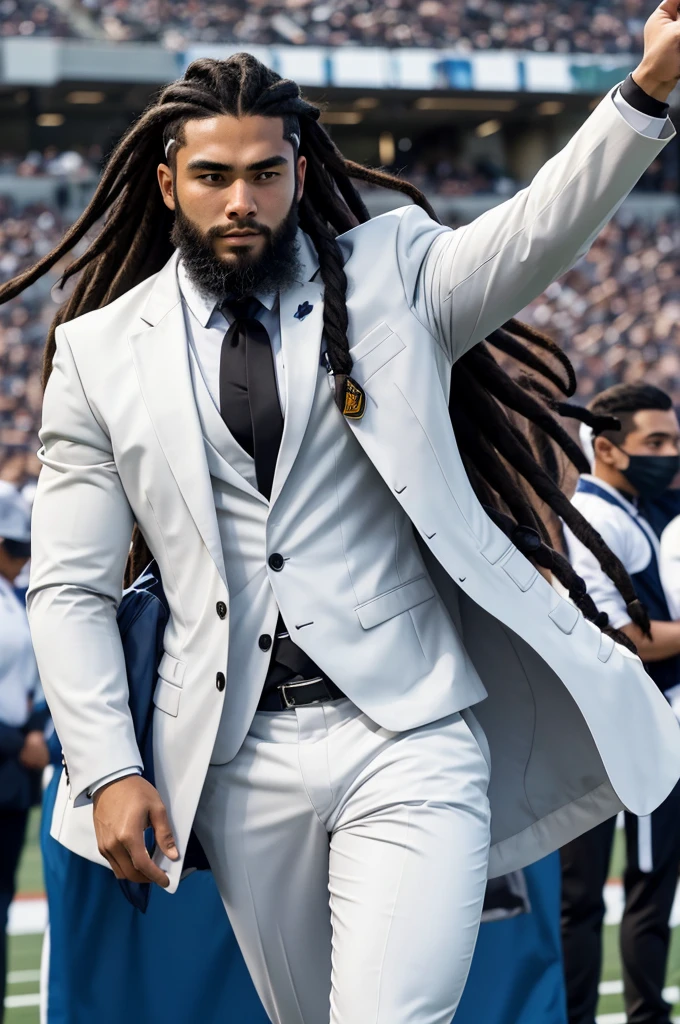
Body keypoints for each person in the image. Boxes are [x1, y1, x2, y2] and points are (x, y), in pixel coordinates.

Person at [5, 7, 680, 1018]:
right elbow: (68, 584)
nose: (243, 200)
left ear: (301, 174)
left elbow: (538, 227)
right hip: (237, 761)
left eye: (266, 175)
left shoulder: (394, 274)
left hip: (411, 730)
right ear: (165, 184)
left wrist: (645, 93)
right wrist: (107, 769)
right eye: (213, 177)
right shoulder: (100, 354)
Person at [562, 382, 680, 1024]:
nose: (669, 455)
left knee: (648, 886)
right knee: (594, 895)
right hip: (606, 729)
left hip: (638, 723)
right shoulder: (596, 517)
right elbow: (625, 639)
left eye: (674, 441)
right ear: (606, 450)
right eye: (655, 443)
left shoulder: (637, 509)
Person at [0, 482, 49, 1023]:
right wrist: (23, 742)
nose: (18, 561)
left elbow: (29, 683)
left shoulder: (14, 601)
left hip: (11, 776)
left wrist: (34, 735)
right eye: (11, 548)